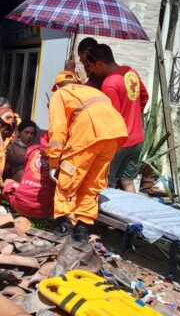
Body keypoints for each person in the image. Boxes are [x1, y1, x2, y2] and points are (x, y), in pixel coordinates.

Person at [47, 71, 127, 248]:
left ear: (58, 86)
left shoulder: (60, 94)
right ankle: (82, 230)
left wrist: (54, 161)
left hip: (87, 134)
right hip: (113, 135)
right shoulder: (94, 92)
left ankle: (65, 226)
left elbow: (57, 129)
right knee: (92, 184)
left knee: (67, 179)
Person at [88, 44, 149, 193]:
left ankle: (105, 214)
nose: (92, 71)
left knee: (107, 182)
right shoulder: (130, 72)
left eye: (91, 66)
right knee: (127, 181)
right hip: (138, 138)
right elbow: (144, 96)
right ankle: (131, 214)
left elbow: (111, 117)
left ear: (99, 63)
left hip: (120, 142)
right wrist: (133, 115)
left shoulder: (109, 84)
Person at [2, 132, 55, 219]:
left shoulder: (32, 149)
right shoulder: (63, 158)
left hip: (21, 205)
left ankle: (22, 213)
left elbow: (27, 166)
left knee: (8, 182)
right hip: (44, 210)